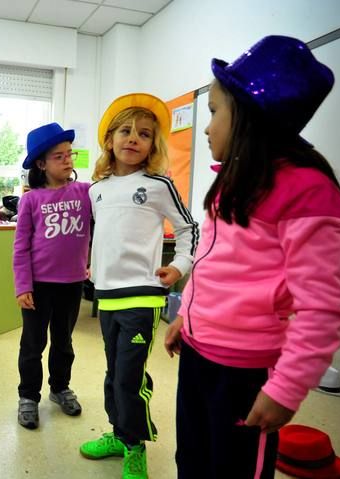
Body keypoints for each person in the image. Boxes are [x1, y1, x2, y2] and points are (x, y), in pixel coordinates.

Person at [164, 36, 340, 479]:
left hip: (247, 372)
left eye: (213, 112)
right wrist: (185, 320)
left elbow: (321, 309)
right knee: (192, 460)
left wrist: (286, 389)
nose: (207, 128)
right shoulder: (231, 181)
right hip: (197, 355)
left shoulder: (307, 190)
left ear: (248, 114)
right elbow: (215, 265)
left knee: (232, 469)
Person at [79, 93, 198, 479]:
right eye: (125, 131)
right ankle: (118, 434)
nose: (133, 138)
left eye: (144, 134)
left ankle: (135, 446)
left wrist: (178, 267)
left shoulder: (159, 184)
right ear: (110, 139)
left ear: (152, 145)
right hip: (108, 296)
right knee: (114, 373)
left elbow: (188, 229)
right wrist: (90, 266)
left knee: (130, 376)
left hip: (143, 296)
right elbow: (101, 234)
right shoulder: (96, 189)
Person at [13, 123, 92, 430]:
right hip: (38, 286)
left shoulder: (85, 192)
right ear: (42, 164)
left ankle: (60, 388)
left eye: (69, 154)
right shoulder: (31, 200)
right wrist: (22, 286)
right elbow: (20, 248)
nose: (67, 160)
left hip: (72, 284)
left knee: (64, 341)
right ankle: (28, 396)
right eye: (59, 156)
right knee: (33, 344)